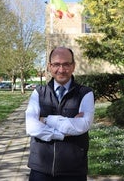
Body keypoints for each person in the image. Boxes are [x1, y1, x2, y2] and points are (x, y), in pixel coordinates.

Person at [25, 47, 95, 181]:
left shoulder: (85, 93)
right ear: (49, 67)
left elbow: (83, 125)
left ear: (73, 66)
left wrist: (45, 120)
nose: (61, 70)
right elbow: (31, 127)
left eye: (66, 64)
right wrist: (63, 132)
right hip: (40, 168)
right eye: (56, 64)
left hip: (73, 169)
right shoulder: (39, 93)